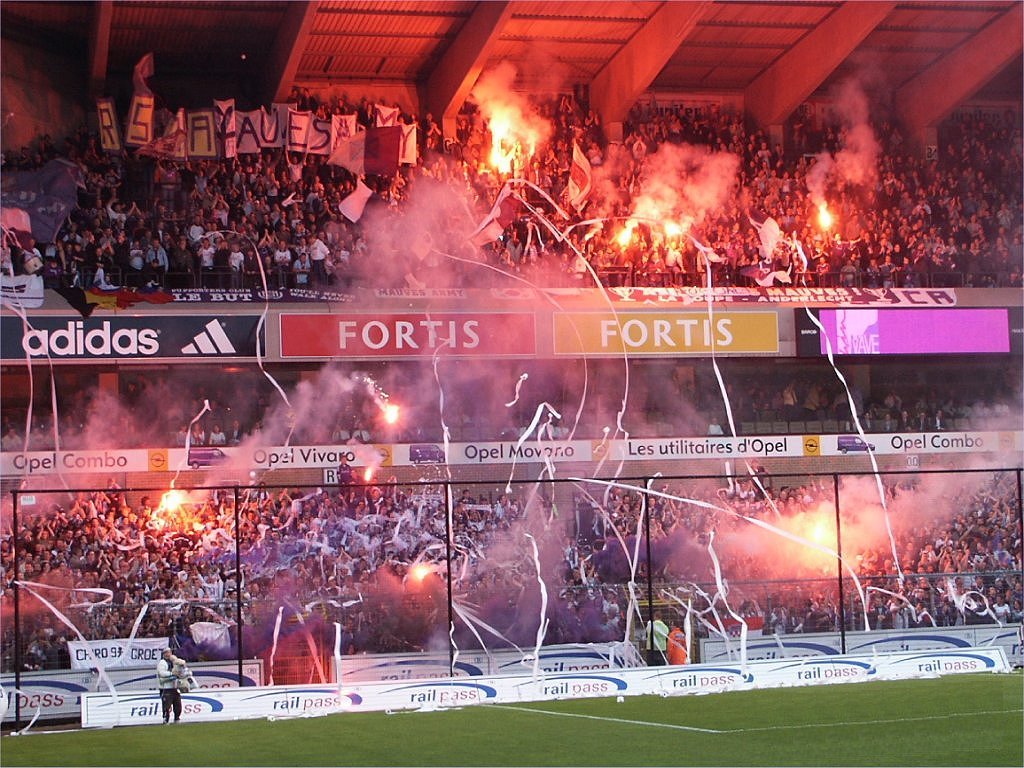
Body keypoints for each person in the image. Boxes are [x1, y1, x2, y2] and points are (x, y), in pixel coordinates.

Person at [156, 648, 182, 723]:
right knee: (167, 705)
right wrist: (172, 674)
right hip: (166, 688)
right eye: (166, 653)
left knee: (177, 704)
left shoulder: (174, 662)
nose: (168, 654)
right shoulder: (162, 662)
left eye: (169, 652)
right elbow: (162, 673)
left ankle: (177, 718)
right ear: (163, 654)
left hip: (175, 687)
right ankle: (165, 719)